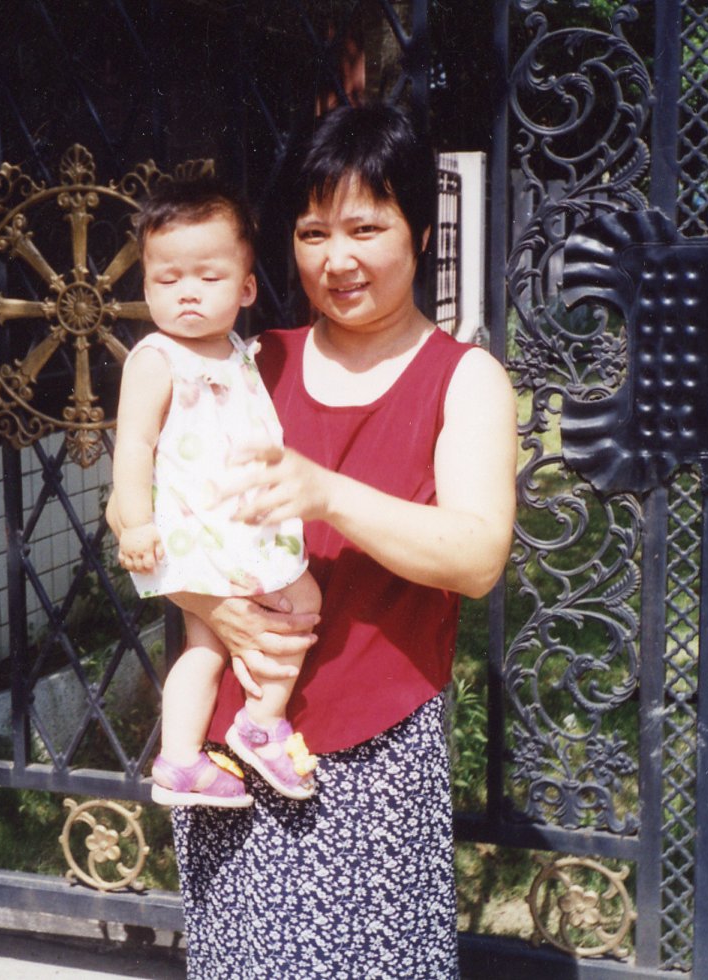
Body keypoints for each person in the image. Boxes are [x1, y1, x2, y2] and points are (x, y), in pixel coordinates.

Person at [158, 103, 518, 977]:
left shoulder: (464, 379)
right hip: (237, 747)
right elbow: (151, 522)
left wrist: (327, 493)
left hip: (376, 754)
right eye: (313, 232)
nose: (337, 258)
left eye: (366, 227)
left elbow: (477, 557)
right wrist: (210, 606)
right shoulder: (248, 363)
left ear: (419, 232)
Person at [112, 177, 323, 810]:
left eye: (208, 277)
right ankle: (259, 724)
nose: (188, 292)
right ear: (147, 287)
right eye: (168, 279)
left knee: (209, 645)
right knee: (295, 603)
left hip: (242, 525)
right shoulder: (156, 359)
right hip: (200, 530)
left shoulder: (235, 351)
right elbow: (133, 445)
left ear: (246, 288)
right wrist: (137, 524)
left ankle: (180, 760)